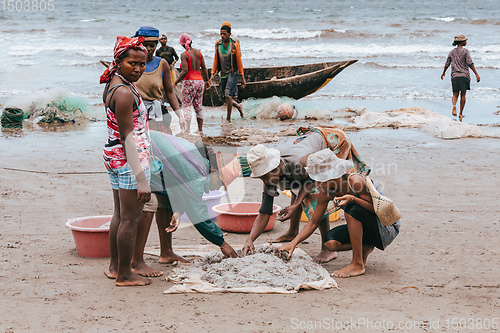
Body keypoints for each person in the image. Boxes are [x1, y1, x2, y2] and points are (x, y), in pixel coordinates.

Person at [242, 126, 371, 263]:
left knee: (317, 194)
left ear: (276, 168)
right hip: (310, 143)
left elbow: (310, 181)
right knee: (295, 185)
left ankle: (328, 250)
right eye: (262, 178)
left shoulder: (299, 162)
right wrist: (250, 239)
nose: (266, 181)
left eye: (266, 176)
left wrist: (296, 205)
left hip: (334, 141)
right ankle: (292, 231)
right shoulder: (271, 177)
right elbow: (265, 212)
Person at [131, 130, 239, 277]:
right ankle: (136, 261)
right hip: (140, 153)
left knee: (163, 199)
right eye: (220, 182)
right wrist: (222, 243)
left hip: (152, 155)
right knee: (151, 202)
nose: (217, 187)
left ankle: (166, 252)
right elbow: (197, 214)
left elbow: (177, 184)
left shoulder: (199, 163)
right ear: (214, 172)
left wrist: (177, 211)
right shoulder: (195, 173)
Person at [278, 149, 400, 278]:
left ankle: (357, 264)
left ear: (332, 175)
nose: (317, 183)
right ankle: (366, 245)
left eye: (319, 179)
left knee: (352, 209)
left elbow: (376, 210)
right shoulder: (326, 192)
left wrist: (353, 198)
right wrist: (293, 243)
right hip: (366, 227)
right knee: (330, 243)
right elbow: (313, 223)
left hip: (386, 228)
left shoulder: (355, 182)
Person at [100, 35, 152, 286]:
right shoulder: (123, 93)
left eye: (142, 64)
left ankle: (114, 267)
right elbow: (128, 138)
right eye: (133, 63)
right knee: (130, 218)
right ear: (118, 62)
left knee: (120, 214)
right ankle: (124, 274)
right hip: (129, 161)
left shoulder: (113, 82)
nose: (139, 69)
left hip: (113, 156)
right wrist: (141, 178)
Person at [134, 26, 187, 134]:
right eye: (145, 45)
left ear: (156, 46)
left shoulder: (162, 64)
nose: (148, 49)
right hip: (135, 115)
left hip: (156, 115)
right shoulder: (132, 64)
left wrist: (180, 116)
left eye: (152, 46)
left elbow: (170, 92)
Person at [173, 34, 210, 135]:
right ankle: (200, 130)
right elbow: (204, 67)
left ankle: (188, 130)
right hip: (200, 82)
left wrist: (175, 82)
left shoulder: (184, 54)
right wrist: (207, 81)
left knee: (187, 106)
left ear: (181, 44)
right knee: (198, 106)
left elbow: (184, 71)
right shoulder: (199, 52)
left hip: (189, 82)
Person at [440, 34, 480, 121]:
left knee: (455, 94)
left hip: (455, 76)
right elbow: (470, 63)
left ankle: (454, 105)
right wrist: (476, 74)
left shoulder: (452, 52)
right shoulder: (465, 51)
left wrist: (443, 73)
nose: (466, 41)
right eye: (465, 40)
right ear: (462, 42)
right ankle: (461, 113)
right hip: (464, 75)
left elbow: (447, 63)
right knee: (463, 95)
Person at [211, 23, 246, 122]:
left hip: (232, 73)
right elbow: (215, 59)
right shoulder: (218, 44)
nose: (222, 36)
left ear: (229, 34)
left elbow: (239, 61)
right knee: (222, 98)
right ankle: (238, 106)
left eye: (224, 34)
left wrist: (242, 77)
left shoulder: (235, 45)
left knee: (228, 94)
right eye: (221, 34)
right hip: (223, 73)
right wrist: (213, 73)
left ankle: (228, 119)